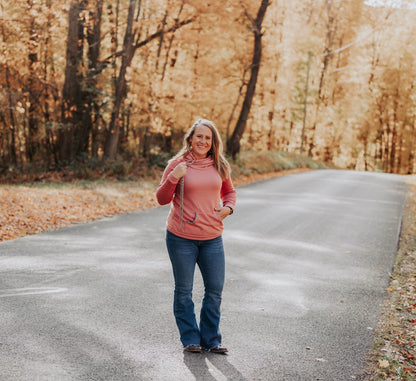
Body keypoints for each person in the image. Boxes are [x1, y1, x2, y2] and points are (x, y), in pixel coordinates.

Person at [156, 119, 236, 354]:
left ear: (213, 142)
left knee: (214, 290)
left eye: (207, 138)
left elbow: (229, 191)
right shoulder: (177, 164)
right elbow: (161, 199)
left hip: (212, 237)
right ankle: (190, 339)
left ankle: (211, 340)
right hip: (181, 237)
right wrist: (173, 177)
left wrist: (228, 208)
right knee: (184, 291)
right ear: (190, 138)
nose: (203, 141)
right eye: (199, 136)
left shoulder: (220, 165)